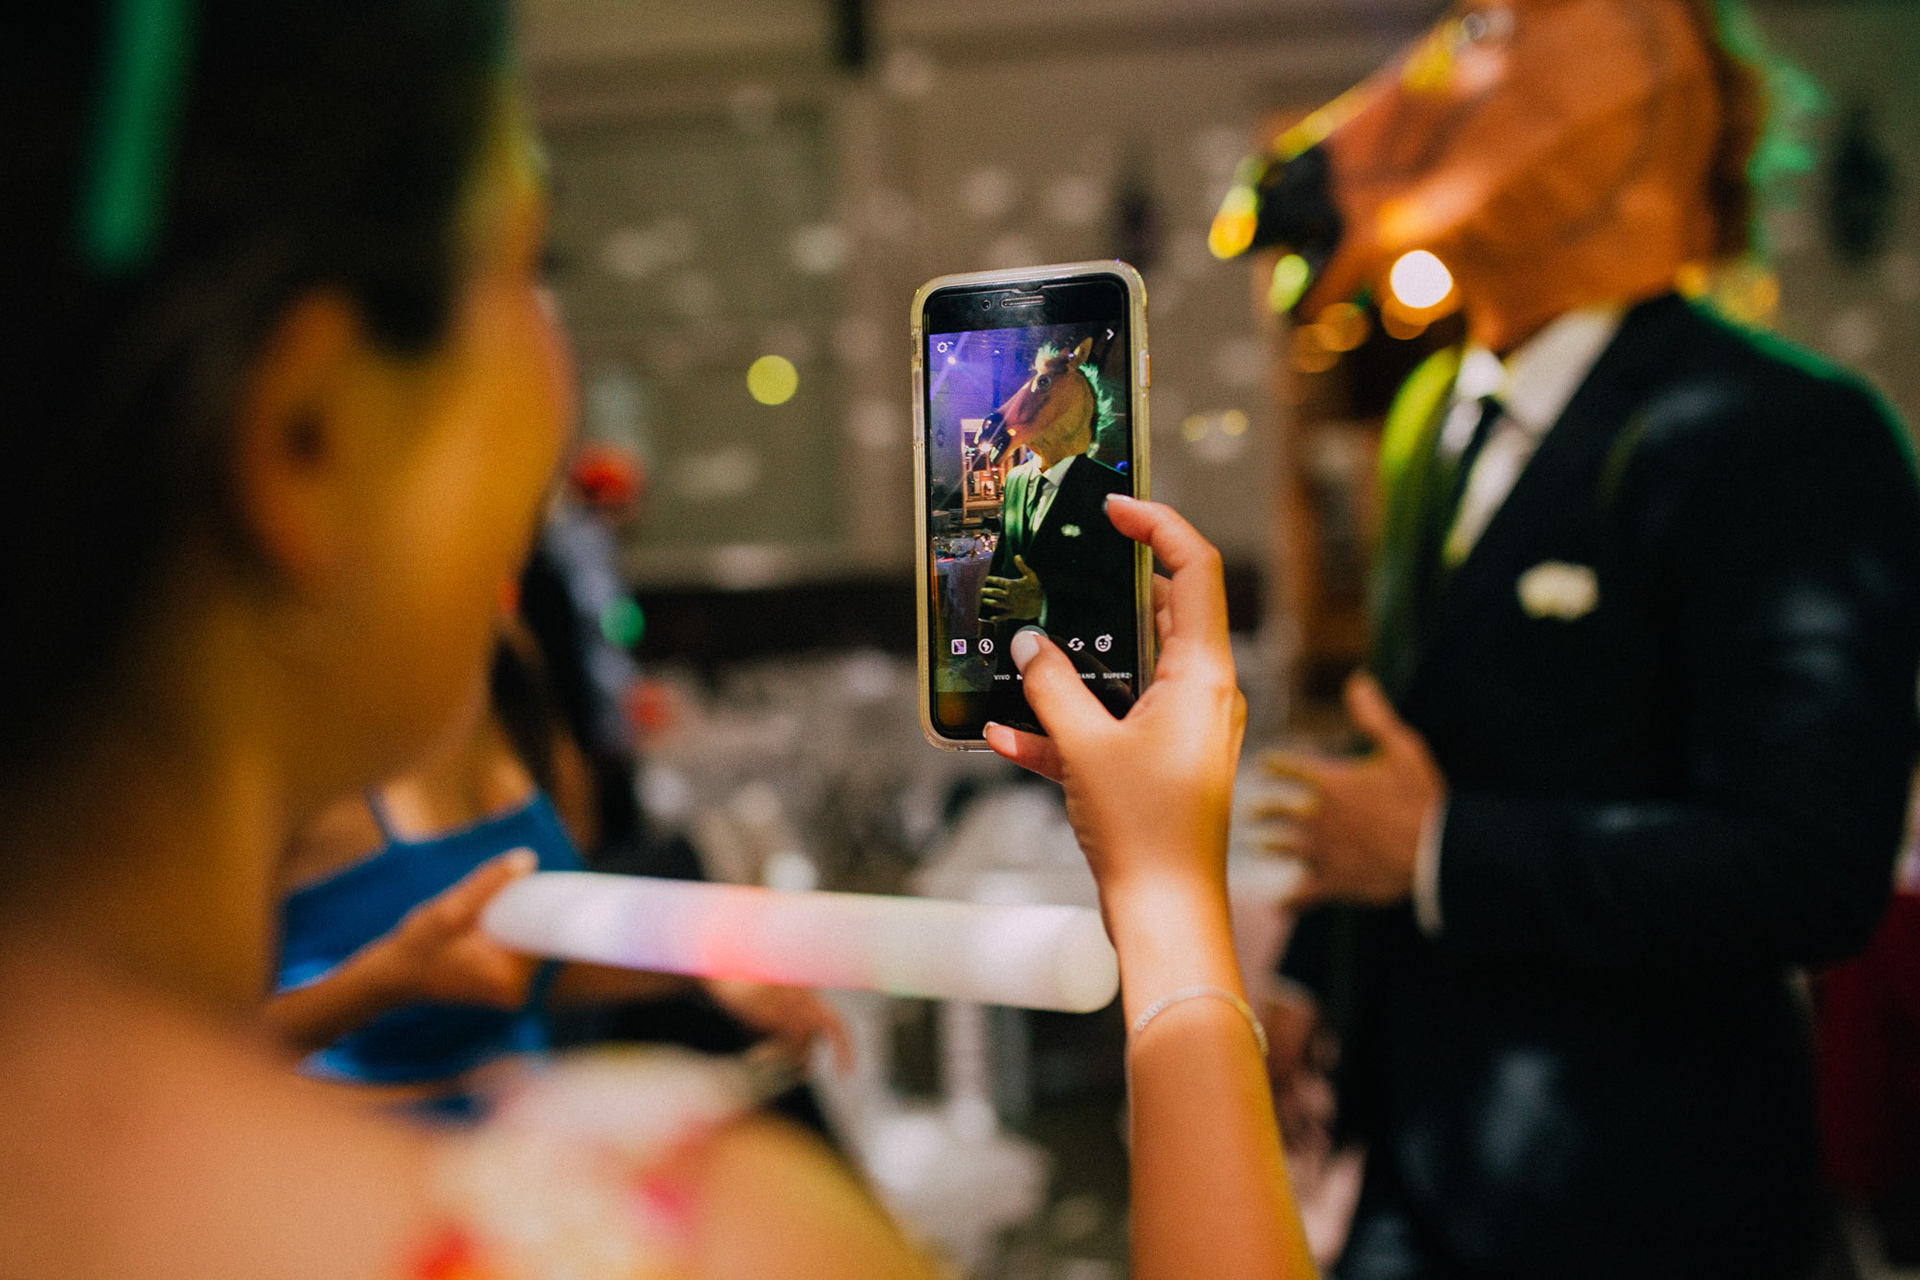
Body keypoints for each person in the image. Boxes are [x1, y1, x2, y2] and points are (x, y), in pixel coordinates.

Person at [0, 6, 1313, 1278]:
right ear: (309, 436)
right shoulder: (681, 1238)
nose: (562, 376)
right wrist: (1170, 908)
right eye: (529, 268)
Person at [1215, 1, 1920, 1276]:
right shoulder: (1433, 413)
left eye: (1493, 32)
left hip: (1650, 1198)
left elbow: (1812, 869)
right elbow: (1413, 731)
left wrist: (1442, 850)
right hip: (1418, 1166)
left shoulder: (1792, 435)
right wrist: (1316, 974)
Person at [268, 628, 848, 1116]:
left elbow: (520, 968)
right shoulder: (278, 714)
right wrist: (392, 976)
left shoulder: (502, 655)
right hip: (349, 1159)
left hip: (515, 1139)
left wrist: (700, 961)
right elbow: (214, 1061)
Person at [980, 338, 1135, 663]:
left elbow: (1119, 590)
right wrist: (987, 618)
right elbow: (1005, 554)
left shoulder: (1115, 489)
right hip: (1012, 656)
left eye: (1043, 384)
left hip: (1076, 658)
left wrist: (1044, 604)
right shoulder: (1016, 479)